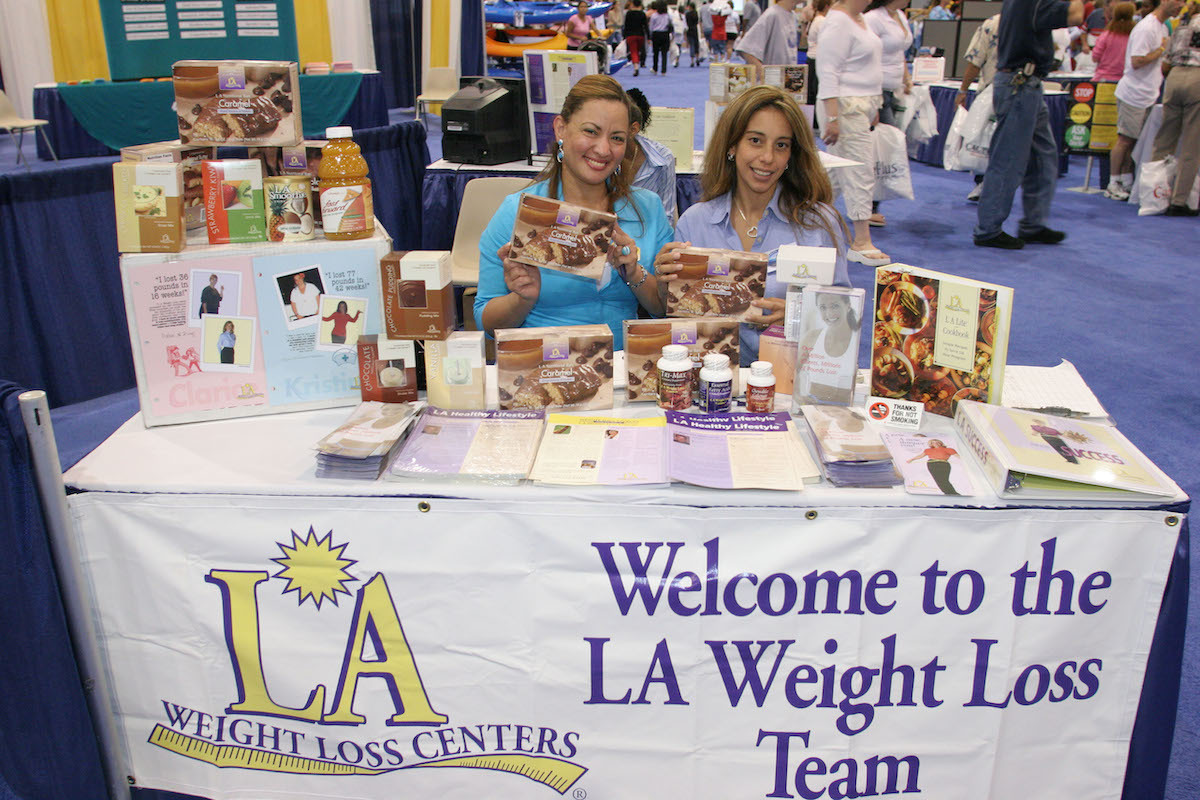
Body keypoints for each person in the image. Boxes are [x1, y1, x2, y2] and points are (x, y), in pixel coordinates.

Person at [474, 75, 674, 350]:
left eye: (617, 138)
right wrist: (521, 298)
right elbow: (485, 321)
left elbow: (663, 310)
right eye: (591, 131)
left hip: (619, 370)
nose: (603, 149)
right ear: (560, 129)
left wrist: (634, 273)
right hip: (543, 368)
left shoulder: (647, 208)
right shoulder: (519, 212)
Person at [663, 86, 851, 363]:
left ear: (792, 155)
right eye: (755, 140)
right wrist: (664, 284)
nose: (768, 157)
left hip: (793, 382)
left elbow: (846, 318)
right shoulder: (695, 222)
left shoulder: (819, 224)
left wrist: (800, 314)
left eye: (781, 145)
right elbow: (680, 324)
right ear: (732, 145)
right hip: (712, 387)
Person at [972, 0, 1084, 249]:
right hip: (1020, 85)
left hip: (1026, 84)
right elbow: (1076, 15)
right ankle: (988, 228)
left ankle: (1033, 223)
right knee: (1008, 159)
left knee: (1044, 156)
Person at [818, 0, 890, 265]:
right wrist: (833, 117)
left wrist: (874, 104)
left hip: (860, 106)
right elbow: (827, 71)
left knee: (835, 175)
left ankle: (801, 221)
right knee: (859, 170)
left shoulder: (860, 18)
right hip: (845, 108)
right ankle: (860, 241)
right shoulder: (838, 21)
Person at [1108, 0, 1183, 200]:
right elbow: (1137, 61)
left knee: (1135, 141)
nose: (1181, 6)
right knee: (1124, 139)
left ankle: (1125, 179)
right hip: (1133, 93)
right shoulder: (1146, 27)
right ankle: (1113, 182)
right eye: (1179, 1)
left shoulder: (1163, 28)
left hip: (1149, 94)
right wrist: (1161, 50)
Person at [865, 0, 913, 226]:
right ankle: (868, 206)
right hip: (877, 90)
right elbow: (867, 57)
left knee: (887, 146)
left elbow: (900, 51)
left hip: (893, 89)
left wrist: (906, 78)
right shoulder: (874, 18)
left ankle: (873, 202)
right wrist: (874, 99)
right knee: (876, 149)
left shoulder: (900, 16)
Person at [1150, 5, 1200, 215]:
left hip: (1174, 78)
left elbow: (1166, 62)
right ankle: (1179, 201)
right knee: (1191, 143)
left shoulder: (1181, 24)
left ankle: (1152, 194)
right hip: (1197, 78)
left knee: (1164, 140)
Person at [956, 11, 1002, 201]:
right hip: (1006, 94)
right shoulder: (1032, 21)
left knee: (983, 138)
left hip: (990, 91)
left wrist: (963, 90)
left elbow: (975, 62)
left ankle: (982, 183)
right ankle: (989, 184)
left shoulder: (992, 23)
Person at [795, 290, 859, 403]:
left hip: (845, 409)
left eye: (835, 306)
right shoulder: (812, 337)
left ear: (848, 306)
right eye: (823, 308)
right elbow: (794, 370)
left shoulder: (857, 341)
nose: (829, 314)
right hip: (814, 406)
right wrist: (798, 397)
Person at [626, 88, 679, 220]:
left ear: (633, 129)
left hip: (651, 237)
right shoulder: (599, 156)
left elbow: (667, 217)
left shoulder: (663, 158)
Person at [735, 0, 801, 71]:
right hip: (773, 79)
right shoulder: (772, 14)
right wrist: (766, 75)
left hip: (786, 78)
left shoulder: (792, 16)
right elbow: (746, 50)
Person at [1091, 1, 1136, 82]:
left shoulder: (1106, 35)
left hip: (1103, 79)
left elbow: (1095, 57)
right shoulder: (1134, 37)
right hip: (1125, 81)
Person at [804, 0, 833, 113]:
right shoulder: (821, 21)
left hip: (812, 58)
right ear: (827, 7)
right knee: (814, 92)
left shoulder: (816, 19)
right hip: (816, 59)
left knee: (811, 92)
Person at [624, 0, 650, 75]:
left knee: (633, 51)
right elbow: (645, 26)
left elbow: (626, 25)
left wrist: (624, 35)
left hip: (631, 35)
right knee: (638, 50)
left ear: (632, 4)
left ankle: (636, 66)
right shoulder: (642, 14)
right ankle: (639, 62)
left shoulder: (628, 13)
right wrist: (648, 37)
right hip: (640, 35)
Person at [650, 0, 674, 73]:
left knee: (656, 52)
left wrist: (651, 36)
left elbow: (651, 27)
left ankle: (655, 68)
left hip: (656, 34)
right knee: (664, 53)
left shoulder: (654, 15)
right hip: (665, 34)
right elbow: (671, 25)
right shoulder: (668, 16)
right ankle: (664, 70)